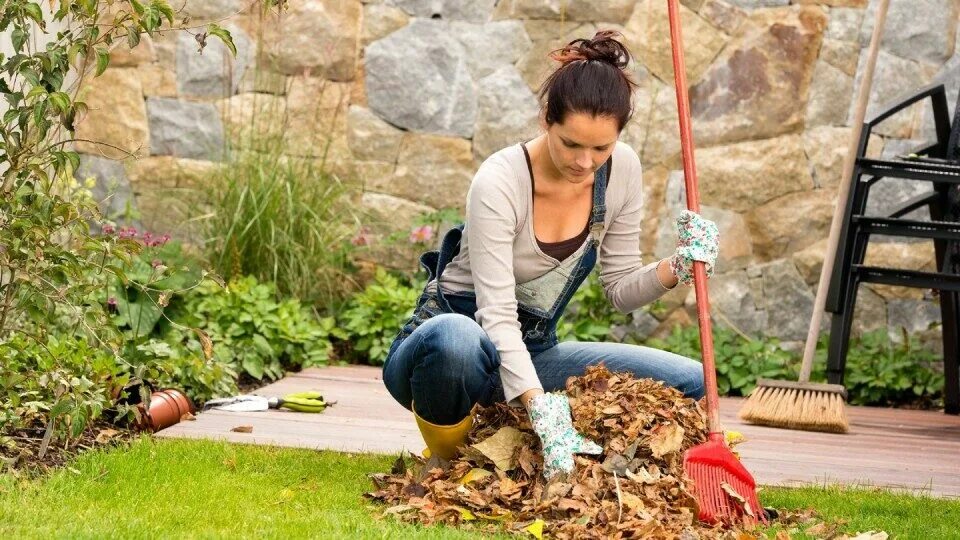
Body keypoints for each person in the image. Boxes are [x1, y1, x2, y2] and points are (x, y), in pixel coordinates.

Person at [382, 30, 719, 479]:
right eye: (571, 144)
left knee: (692, 380)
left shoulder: (622, 171)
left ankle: (519, 440)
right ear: (547, 120)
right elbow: (496, 316)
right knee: (455, 340)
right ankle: (448, 464)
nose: (585, 163)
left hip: (531, 351)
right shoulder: (500, 182)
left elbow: (619, 290)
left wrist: (678, 267)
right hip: (449, 353)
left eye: (601, 147)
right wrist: (543, 408)